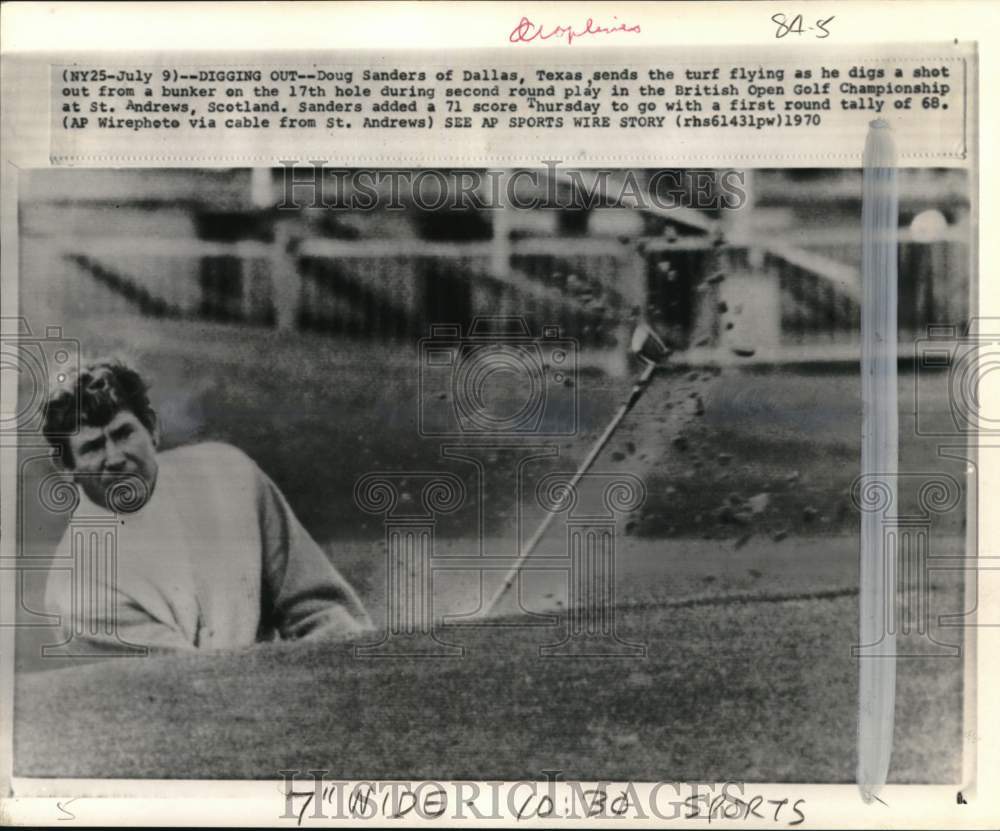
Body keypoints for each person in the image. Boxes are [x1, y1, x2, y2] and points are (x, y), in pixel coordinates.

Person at [42, 359, 372, 654]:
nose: (114, 458)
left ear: (153, 428)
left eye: (123, 433)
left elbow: (319, 609)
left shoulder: (228, 474)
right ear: (65, 467)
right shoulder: (77, 589)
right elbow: (188, 694)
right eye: (93, 447)